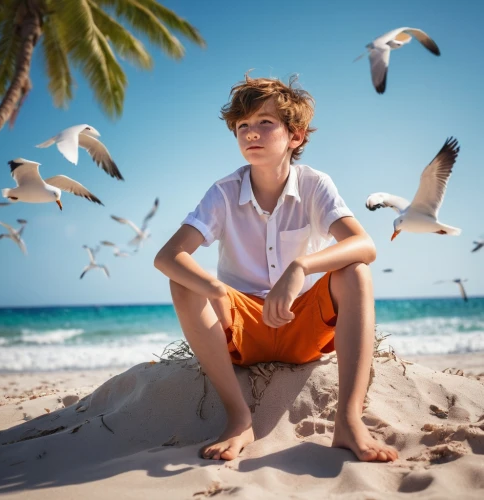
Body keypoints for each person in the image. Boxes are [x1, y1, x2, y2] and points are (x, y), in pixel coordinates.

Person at [154, 74, 398, 463]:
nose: (251, 133)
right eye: (243, 126)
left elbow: (365, 245)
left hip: (303, 325)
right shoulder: (223, 192)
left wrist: (300, 267)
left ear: (295, 136)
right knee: (185, 283)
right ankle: (238, 419)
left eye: (265, 123)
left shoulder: (315, 184)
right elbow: (167, 257)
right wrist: (217, 291)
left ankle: (349, 422)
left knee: (356, 271)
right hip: (243, 331)